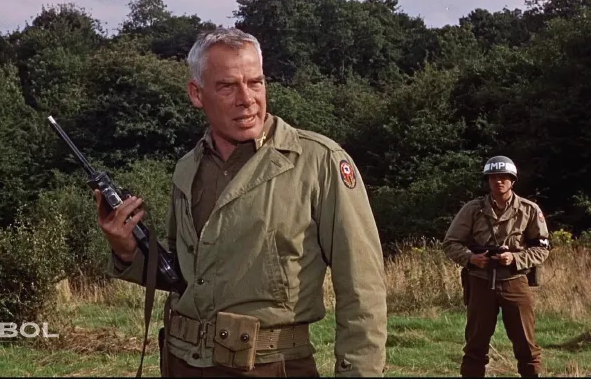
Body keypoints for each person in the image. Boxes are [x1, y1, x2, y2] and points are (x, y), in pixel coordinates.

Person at [95, 28, 387, 377]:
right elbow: (185, 278)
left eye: (255, 83)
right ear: (197, 94)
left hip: (269, 367)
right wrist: (127, 249)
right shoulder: (187, 168)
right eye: (227, 86)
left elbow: (362, 287)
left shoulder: (318, 162)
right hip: (180, 362)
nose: (247, 99)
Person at [443, 156, 551, 378]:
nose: (498, 181)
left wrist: (515, 258)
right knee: (475, 343)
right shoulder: (473, 209)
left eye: (503, 177)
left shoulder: (529, 210)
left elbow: (542, 248)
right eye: (493, 177)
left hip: (515, 281)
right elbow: (451, 243)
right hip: (480, 280)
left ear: (512, 180)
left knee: (526, 344)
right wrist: (471, 258)